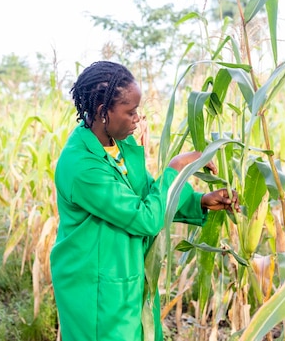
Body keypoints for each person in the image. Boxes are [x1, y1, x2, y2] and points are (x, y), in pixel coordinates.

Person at [50, 61, 239, 341]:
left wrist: (199, 202)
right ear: (103, 112)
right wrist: (175, 168)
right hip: (95, 286)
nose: (137, 119)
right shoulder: (82, 165)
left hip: (124, 276)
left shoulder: (120, 146)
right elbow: (145, 218)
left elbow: (149, 194)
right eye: (130, 112)